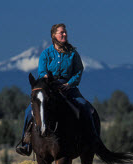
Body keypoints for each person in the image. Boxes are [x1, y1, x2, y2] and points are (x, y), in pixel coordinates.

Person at [16, 23, 94, 156]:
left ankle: (90, 140)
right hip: (49, 86)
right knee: (29, 111)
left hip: (68, 87)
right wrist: (46, 78)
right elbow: (41, 71)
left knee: (85, 106)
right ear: (54, 35)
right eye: (61, 32)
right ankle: (26, 142)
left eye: (65, 32)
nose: (64, 34)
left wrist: (70, 84)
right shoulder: (46, 53)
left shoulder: (73, 54)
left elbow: (79, 70)